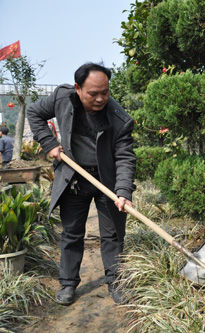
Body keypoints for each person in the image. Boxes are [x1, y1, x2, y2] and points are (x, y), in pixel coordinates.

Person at [27, 62, 136, 305]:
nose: (100, 99)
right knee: (72, 232)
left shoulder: (120, 119)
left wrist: (123, 191)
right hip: (74, 178)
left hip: (106, 180)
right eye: (93, 93)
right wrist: (49, 143)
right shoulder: (62, 98)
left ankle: (115, 281)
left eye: (105, 92)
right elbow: (34, 113)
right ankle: (68, 284)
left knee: (113, 234)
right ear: (78, 88)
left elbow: (125, 158)